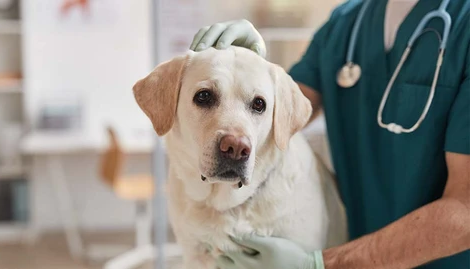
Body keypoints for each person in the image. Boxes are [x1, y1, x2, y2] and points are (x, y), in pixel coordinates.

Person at [188, 0, 470, 268]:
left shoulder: (463, 25)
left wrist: (320, 265)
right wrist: (248, 68)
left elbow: (466, 208)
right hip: (353, 244)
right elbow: (279, 111)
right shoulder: (345, 24)